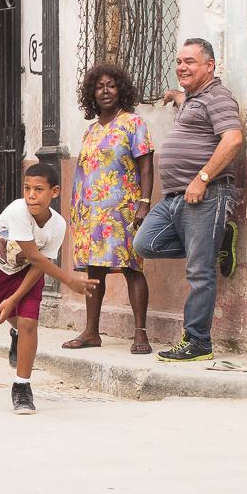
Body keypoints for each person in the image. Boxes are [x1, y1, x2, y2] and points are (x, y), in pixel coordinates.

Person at [133, 38, 244, 363]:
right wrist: (178, 96)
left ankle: (198, 342)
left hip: (203, 194)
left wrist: (202, 178)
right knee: (145, 243)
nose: (182, 66)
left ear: (210, 66)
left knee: (199, 271)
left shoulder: (218, 97)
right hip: (174, 198)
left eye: (190, 62)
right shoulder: (197, 98)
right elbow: (191, 104)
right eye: (179, 61)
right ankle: (216, 238)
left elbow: (233, 138)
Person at [62, 62, 156, 354]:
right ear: (92, 93)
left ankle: (140, 334)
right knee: (94, 271)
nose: (105, 91)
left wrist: (144, 203)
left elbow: (146, 165)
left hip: (123, 210)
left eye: (111, 85)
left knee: (132, 268)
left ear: (121, 90)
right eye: (99, 86)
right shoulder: (90, 131)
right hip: (91, 212)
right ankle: (91, 331)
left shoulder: (133, 123)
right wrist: (76, 208)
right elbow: (84, 173)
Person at [0, 161, 89, 415]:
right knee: (11, 316)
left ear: (55, 192)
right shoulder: (18, 211)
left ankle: (22, 388)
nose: (31, 195)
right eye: (27, 188)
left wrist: (17, 297)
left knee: (29, 323)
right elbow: (34, 254)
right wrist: (69, 279)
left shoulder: (59, 225)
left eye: (39, 189)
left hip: (30, 271)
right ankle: (17, 335)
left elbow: (40, 263)